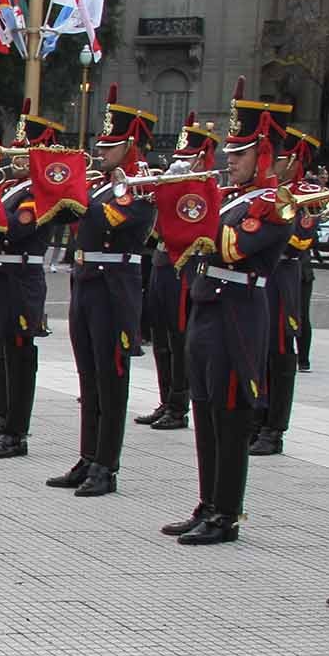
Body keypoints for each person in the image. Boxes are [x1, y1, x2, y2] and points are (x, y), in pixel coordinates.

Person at [160, 82, 295, 546]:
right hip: (206, 305)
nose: (229, 161)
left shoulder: (271, 204)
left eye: (239, 154)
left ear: (263, 156)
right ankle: (208, 501)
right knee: (206, 408)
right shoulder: (227, 197)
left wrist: (193, 210)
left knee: (232, 412)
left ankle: (226, 512)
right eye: (230, 153)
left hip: (239, 311)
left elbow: (234, 247)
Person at [45, 91, 158, 497]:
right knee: (88, 376)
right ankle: (88, 455)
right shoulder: (99, 184)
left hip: (114, 288)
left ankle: (107, 465)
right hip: (87, 283)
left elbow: (117, 221)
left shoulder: (140, 183)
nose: (100, 150)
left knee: (111, 379)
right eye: (101, 143)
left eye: (110, 145)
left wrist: (72, 197)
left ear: (130, 145)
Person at [0, 103, 70, 459]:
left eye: (24, 152)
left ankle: (17, 432)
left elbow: (17, 227)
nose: (15, 156)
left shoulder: (40, 192)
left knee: (18, 355)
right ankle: (1, 422)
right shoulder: (13, 187)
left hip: (19, 279)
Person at [134, 117, 217, 431]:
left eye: (185, 159)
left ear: (199, 159)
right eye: (177, 159)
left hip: (184, 265)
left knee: (179, 336)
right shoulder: (172, 185)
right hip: (160, 260)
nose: (176, 165)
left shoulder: (202, 188)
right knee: (161, 337)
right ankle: (166, 398)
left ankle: (180, 404)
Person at [248, 127, 323, 456]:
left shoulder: (305, 194)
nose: (269, 165)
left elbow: (302, 238)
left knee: (279, 350)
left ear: (293, 160)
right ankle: (255, 419)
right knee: (256, 349)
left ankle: (274, 428)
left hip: (284, 274)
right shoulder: (261, 191)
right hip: (259, 274)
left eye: (276, 159)